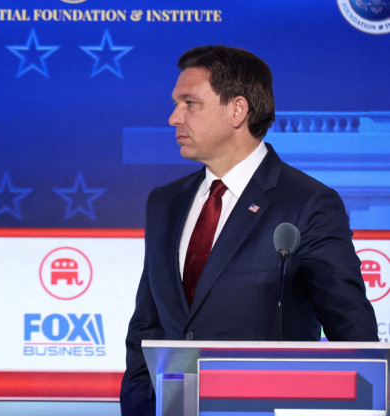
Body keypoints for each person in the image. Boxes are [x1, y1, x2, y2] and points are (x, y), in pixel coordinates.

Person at [119, 45, 378, 415]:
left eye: (190, 103)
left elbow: (353, 336)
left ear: (237, 110)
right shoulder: (165, 203)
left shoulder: (307, 203)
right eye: (177, 103)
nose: (174, 117)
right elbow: (146, 331)